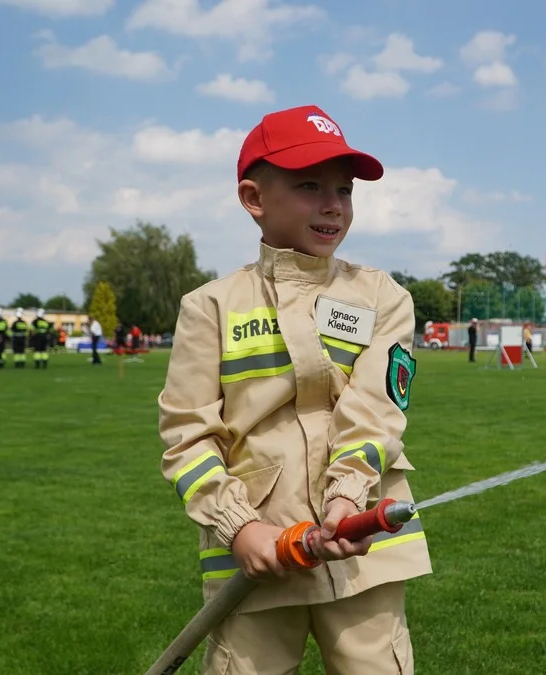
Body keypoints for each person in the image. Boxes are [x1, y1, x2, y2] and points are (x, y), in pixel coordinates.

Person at [157, 104, 430, 674]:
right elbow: (187, 440)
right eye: (310, 186)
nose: (333, 204)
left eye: (344, 189)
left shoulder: (383, 297)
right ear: (255, 198)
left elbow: (377, 415)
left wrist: (347, 497)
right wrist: (240, 528)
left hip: (362, 552)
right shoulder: (209, 307)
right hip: (256, 561)